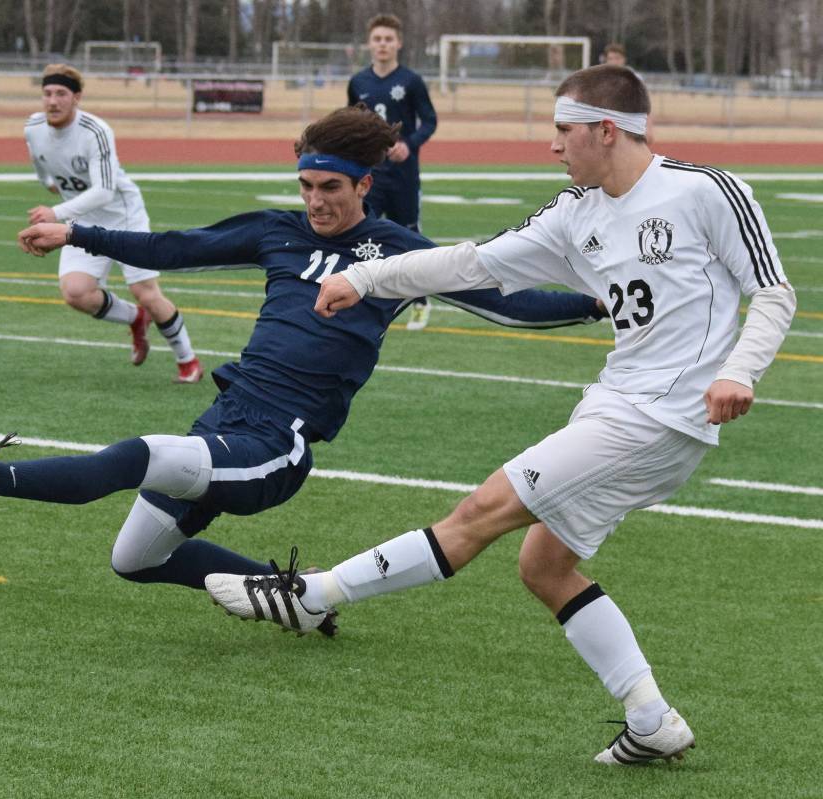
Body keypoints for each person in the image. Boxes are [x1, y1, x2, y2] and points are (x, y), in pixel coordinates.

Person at [205, 66, 797, 764]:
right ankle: (651, 718)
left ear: (607, 130)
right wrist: (363, 277)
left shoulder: (704, 191)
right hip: (614, 400)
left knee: (484, 508)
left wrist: (738, 370)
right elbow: (470, 263)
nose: (553, 146)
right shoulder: (576, 212)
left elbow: (774, 292)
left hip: (662, 416)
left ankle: (314, 593)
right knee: (544, 564)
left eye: (563, 131)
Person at [0, 105, 604, 631]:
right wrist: (76, 233)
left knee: (141, 452)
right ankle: (297, 598)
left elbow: (509, 303)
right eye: (306, 185)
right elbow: (173, 244)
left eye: (331, 187)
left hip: (274, 447)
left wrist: (598, 302)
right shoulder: (278, 230)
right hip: (227, 415)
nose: (315, 200)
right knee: (133, 559)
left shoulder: (398, 254)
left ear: (365, 184)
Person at [25, 63, 202, 383]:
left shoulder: (96, 131)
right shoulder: (34, 128)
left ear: (76, 97)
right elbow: (43, 171)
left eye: (61, 94)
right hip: (82, 219)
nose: (52, 101)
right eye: (47, 93)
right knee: (76, 292)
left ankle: (187, 360)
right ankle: (135, 319)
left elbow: (105, 191)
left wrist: (57, 212)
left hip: (124, 217)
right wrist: (56, 192)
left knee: (145, 291)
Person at [348, 13, 437, 331]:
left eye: (388, 39)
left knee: (409, 237)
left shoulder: (410, 81)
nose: (383, 44)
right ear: (369, 44)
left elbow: (429, 121)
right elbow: (352, 122)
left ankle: (420, 300)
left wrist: (409, 145)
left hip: (403, 175)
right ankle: (360, 296)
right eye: (377, 39)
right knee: (362, 232)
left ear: (398, 43)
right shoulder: (358, 82)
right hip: (370, 173)